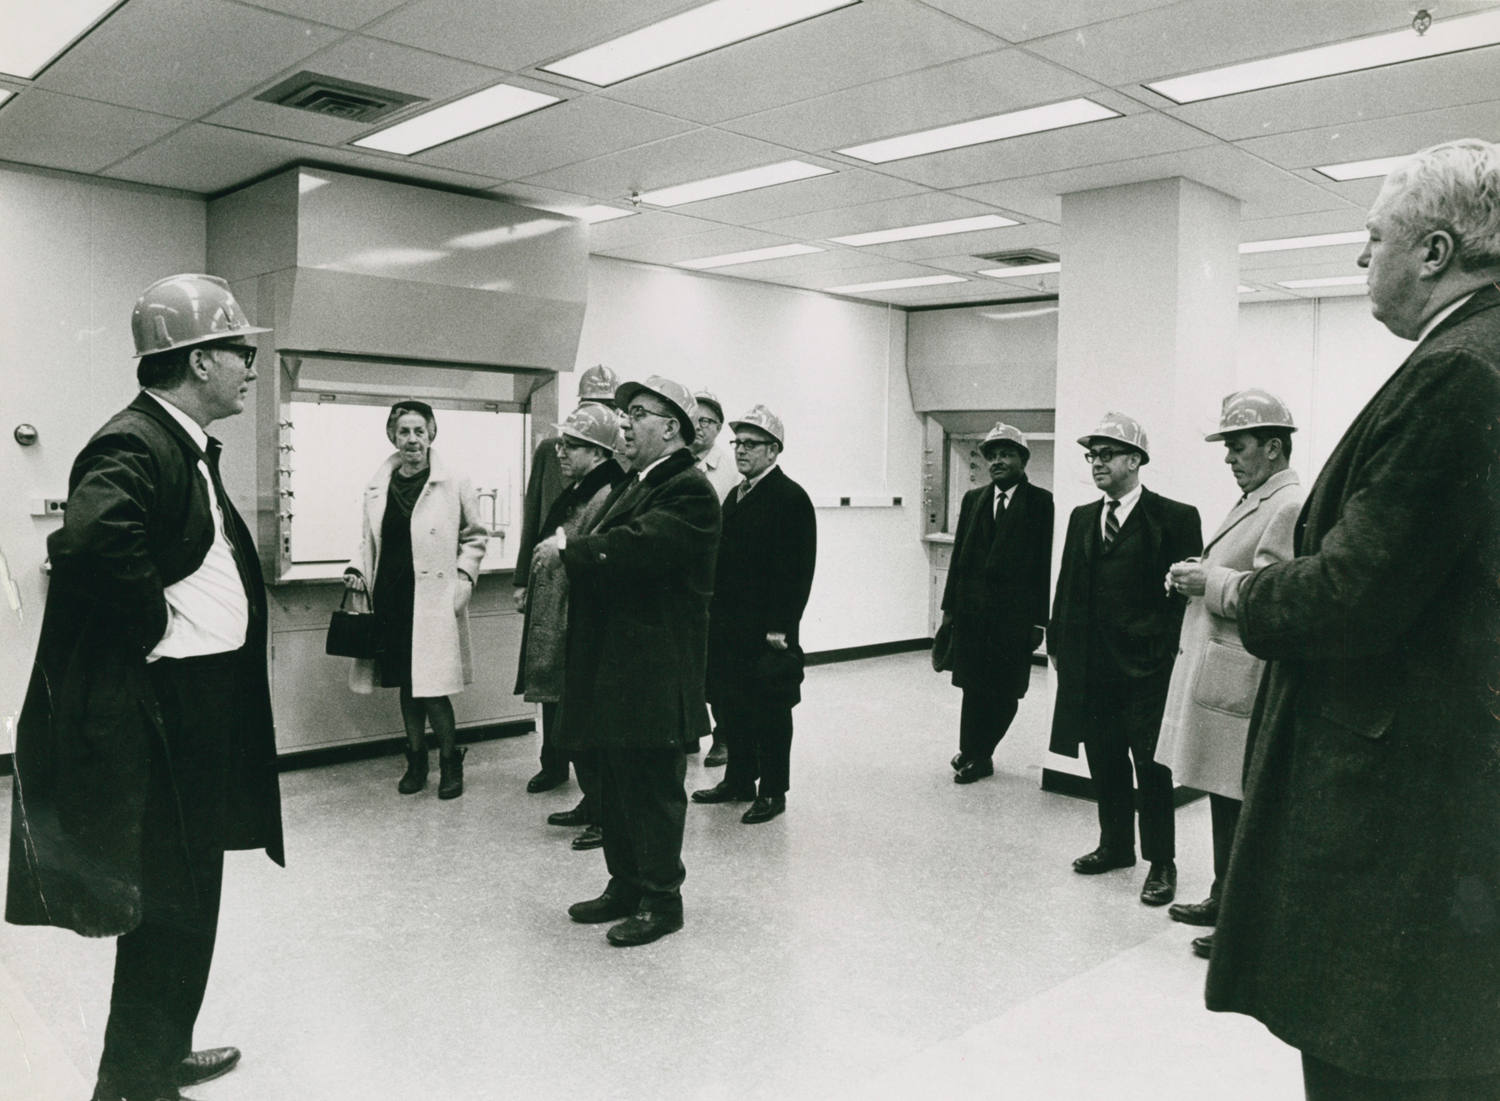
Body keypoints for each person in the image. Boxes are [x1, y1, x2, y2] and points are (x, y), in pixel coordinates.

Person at [1207, 139, 1500, 1100]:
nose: (1359, 258)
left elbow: (1352, 595)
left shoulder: (1457, 370)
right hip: (1457, 787)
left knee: (1376, 1058)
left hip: (1396, 811)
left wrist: (1241, 591)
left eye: (1372, 238)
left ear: (1434, 250)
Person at [6, 274, 284, 1101]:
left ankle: (161, 1048)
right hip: (168, 715)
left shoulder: (179, 443)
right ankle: (129, 1081)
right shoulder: (135, 441)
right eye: (241, 352)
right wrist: (158, 625)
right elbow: (91, 545)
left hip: (201, 710)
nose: (249, 367)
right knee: (170, 901)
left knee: (190, 895)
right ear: (200, 362)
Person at [544, 375, 720, 946]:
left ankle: (662, 901)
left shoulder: (689, 488)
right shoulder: (636, 481)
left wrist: (572, 547)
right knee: (617, 786)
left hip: (653, 670)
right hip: (617, 668)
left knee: (652, 790)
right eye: (625, 411)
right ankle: (625, 884)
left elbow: (642, 547)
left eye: (638, 412)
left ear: (672, 429)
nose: (624, 421)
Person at [1152, 390, 1302, 959]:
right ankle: (1222, 896)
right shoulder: (1255, 498)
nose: (1228, 458)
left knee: (1240, 800)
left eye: (1236, 447)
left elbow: (1276, 596)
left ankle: (1242, 920)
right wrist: (1196, 574)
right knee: (1221, 791)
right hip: (1224, 674)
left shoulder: (1286, 504)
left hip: (1245, 676)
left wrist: (1206, 581)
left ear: (1271, 446)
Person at [1047, 413, 1202, 906]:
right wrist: (1058, 645)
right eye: (1092, 456)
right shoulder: (1080, 517)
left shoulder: (1175, 517)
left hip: (1147, 667)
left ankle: (1161, 861)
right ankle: (1116, 845)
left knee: (1151, 766)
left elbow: (1185, 597)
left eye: (1107, 455)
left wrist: (1166, 654)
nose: (1097, 464)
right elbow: (1068, 584)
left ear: (1135, 460)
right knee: (1105, 757)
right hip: (1092, 665)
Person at [344, 400, 487, 800]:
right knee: (407, 684)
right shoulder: (378, 486)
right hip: (391, 595)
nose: (411, 440)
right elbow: (369, 539)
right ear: (393, 436)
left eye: (418, 431)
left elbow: (475, 537)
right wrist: (357, 567)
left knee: (433, 687)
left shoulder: (453, 481)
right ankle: (416, 760)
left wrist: (463, 579)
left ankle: (449, 763)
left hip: (433, 599)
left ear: (431, 434)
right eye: (403, 432)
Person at [692, 406, 817, 823]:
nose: (741, 451)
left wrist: (781, 626)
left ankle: (773, 791)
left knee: (771, 712)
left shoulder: (790, 498)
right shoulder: (737, 494)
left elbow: (798, 570)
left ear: (774, 451)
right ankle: (739, 780)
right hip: (729, 627)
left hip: (767, 631)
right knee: (733, 706)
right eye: (738, 443)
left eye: (751, 444)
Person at [514, 403, 628, 850]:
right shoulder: (582, 488)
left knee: (587, 728)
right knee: (570, 721)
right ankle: (591, 803)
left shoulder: (603, 496)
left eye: (572, 446)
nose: (561, 452)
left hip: (576, 625)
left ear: (599, 453)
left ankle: (604, 814)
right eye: (562, 444)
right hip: (561, 619)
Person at [938, 422, 1053, 785]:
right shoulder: (973, 500)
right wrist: (949, 611)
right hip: (971, 614)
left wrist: (1039, 622)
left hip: (1013, 618)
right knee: (972, 687)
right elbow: (959, 559)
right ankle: (971, 749)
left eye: (1006, 454)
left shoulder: (1041, 503)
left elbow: (1043, 565)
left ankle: (982, 752)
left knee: (1004, 690)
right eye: (992, 455)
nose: (997, 461)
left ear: (1023, 459)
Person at [690, 389, 739, 767]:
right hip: (683, 580)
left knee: (719, 665)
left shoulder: (731, 470)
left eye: (706, 421)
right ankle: (690, 731)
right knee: (687, 661)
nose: (699, 427)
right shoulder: (677, 462)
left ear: (719, 428)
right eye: (694, 420)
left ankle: (723, 737)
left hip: (719, 581)